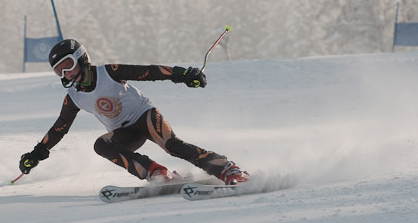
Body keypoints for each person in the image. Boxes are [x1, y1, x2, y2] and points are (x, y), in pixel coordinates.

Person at [19, 38, 249, 185]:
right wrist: (36, 153)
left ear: (81, 58)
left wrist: (182, 74)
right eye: (59, 70)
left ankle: (227, 169)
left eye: (67, 65)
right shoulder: (74, 97)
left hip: (145, 117)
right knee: (101, 145)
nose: (65, 74)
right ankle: (155, 173)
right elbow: (59, 128)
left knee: (172, 146)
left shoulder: (109, 72)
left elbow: (147, 72)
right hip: (124, 133)